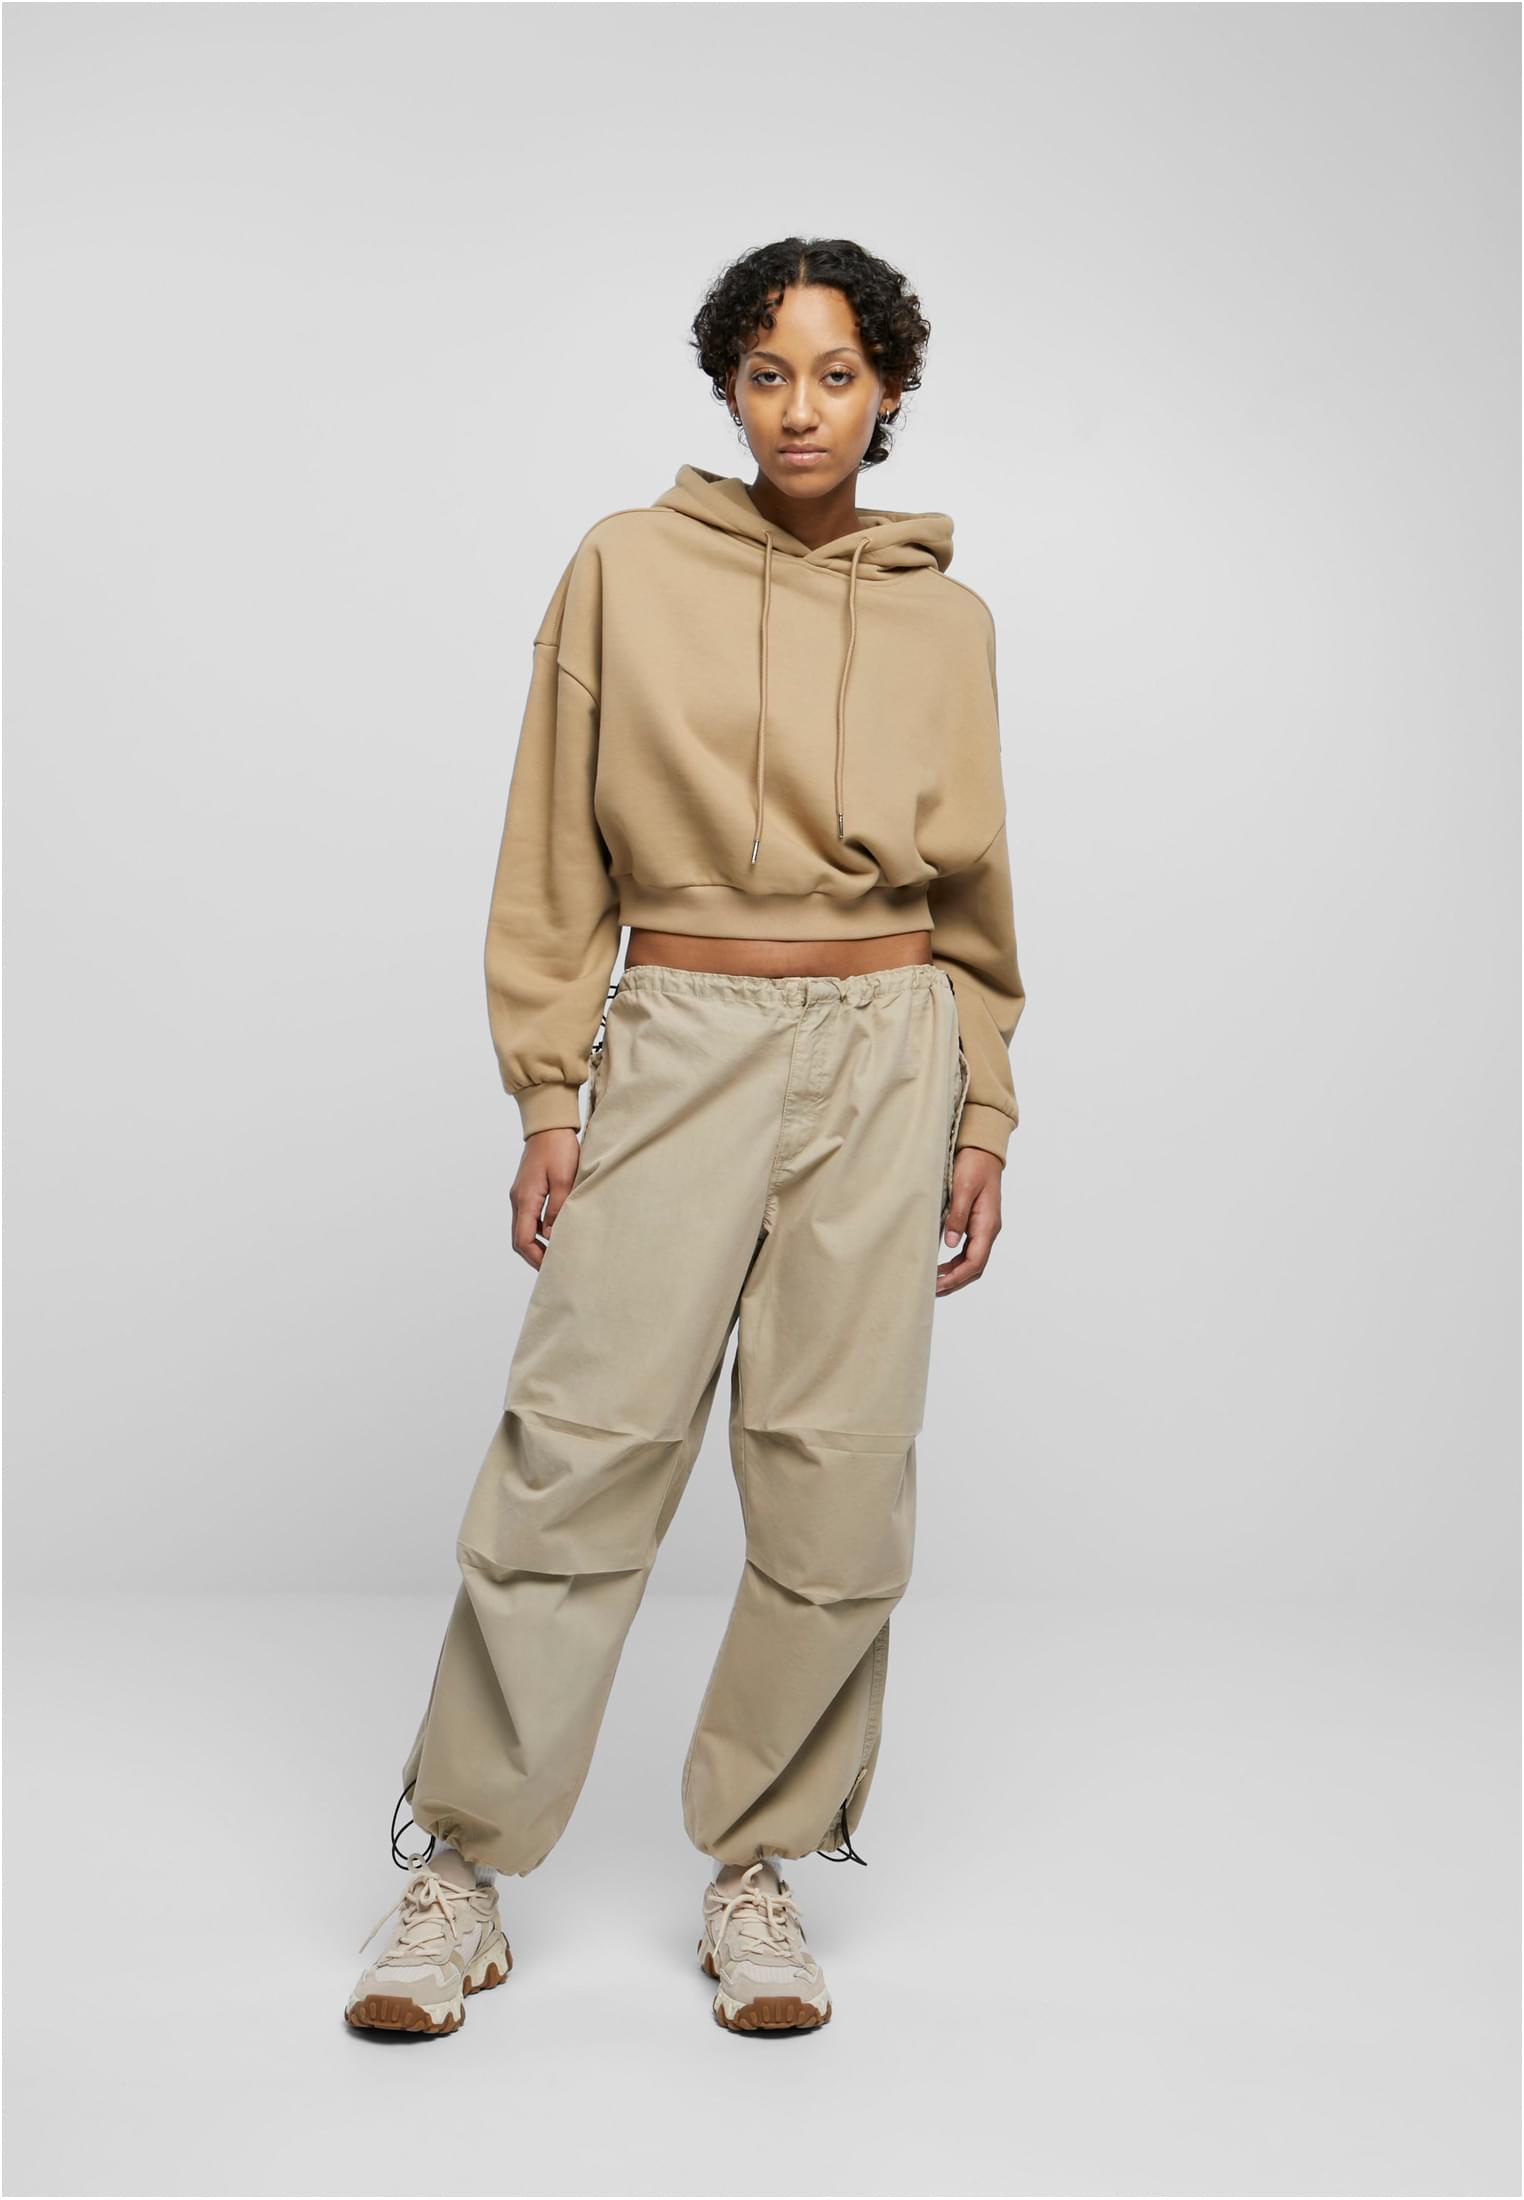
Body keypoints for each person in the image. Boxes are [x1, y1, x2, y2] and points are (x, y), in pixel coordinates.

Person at [345, 236, 1025, 2039]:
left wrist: (985, 1104)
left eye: (838, 373)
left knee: (836, 1478)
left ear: (888, 391)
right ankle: (461, 1871)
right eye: (768, 373)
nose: (802, 408)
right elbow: (551, 850)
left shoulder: (948, 618)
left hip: (891, 1047)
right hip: (681, 1035)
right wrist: (548, 1089)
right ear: (728, 387)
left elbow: (976, 895)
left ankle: (761, 1872)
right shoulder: (624, 569)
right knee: (578, 1449)